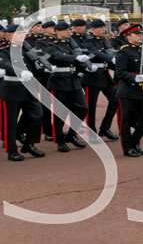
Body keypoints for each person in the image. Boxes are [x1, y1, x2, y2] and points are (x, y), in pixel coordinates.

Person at [0, 23, 45, 160]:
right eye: (18, 33)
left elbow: (35, 65)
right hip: (12, 89)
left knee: (36, 115)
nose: (21, 35)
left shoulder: (26, 49)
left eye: (22, 33)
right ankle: (12, 151)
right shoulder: (3, 49)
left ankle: (29, 144)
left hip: (28, 88)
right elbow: (5, 64)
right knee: (11, 122)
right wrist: (20, 71)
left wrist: (44, 67)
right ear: (9, 35)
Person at [45, 22, 90, 152]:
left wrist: (85, 69)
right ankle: (60, 141)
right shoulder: (52, 46)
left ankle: (71, 135)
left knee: (83, 108)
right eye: (65, 30)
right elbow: (58, 57)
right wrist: (76, 57)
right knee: (60, 114)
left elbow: (76, 64)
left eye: (68, 30)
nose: (68, 32)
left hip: (73, 81)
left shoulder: (71, 45)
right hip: (59, 83)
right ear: (57, 32)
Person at [113, 24, 143, 157]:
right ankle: (127, 147)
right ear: (128, 37)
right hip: (128, 90)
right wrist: (134, 78)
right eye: (137, 34)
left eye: (141, 34)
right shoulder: (123, 51)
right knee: (126, 119)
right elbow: (120, 72)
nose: (140, 36)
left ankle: (135, 141)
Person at [80, 19, 120, 141]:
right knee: (91, 107)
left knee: (115, 100)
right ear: (93, 30)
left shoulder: (104, 41)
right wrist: (110, 59)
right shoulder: (88, 42)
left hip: (104, 76)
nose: (104, 30)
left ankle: (105, 128)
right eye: (101, 27)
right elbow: (96, 53)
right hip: (91, 77)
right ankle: (91, 132)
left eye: (104, 27)